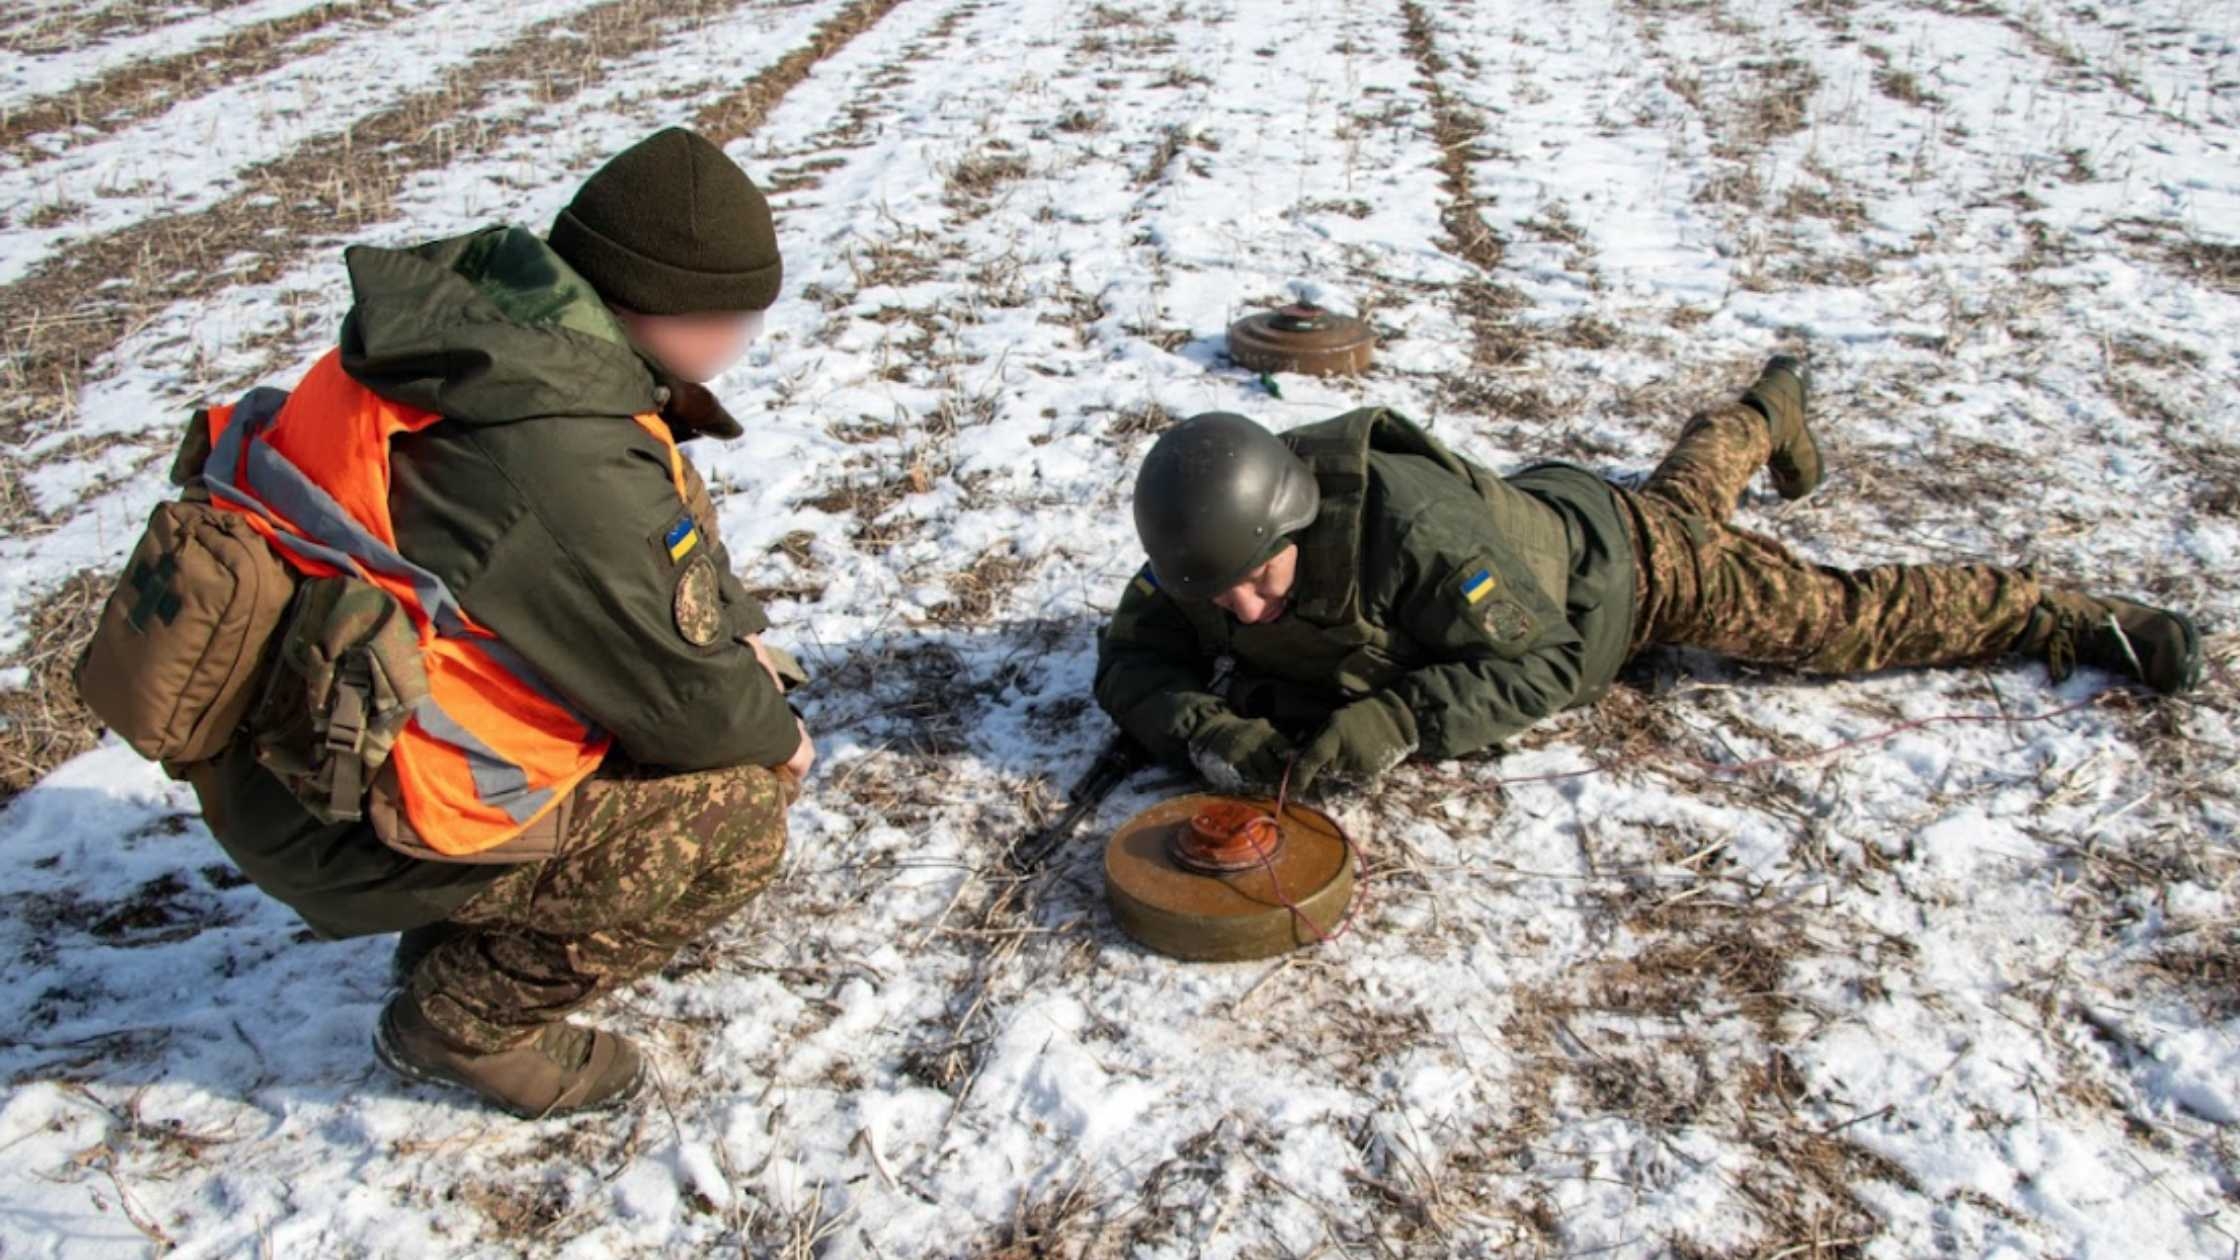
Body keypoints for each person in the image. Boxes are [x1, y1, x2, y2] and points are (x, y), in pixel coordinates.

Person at [178, 127, 812, 1118]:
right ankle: (458, 1027)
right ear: (666, 310)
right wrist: (779, 735)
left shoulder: (473, 346)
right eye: (737, 319)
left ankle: (469, 917)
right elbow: (694, 703)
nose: (741, 346)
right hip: (339, 811)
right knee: (732, 815)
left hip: (300, 753)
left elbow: (613, 589)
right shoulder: (558, 453)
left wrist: (726, 645)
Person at [1094, 357, 2202, 794]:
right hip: (1547, 511)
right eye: (1216, 595)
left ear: (1295, 513)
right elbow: (1131, 655)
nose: (1238, 608)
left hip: (1626, 578)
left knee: (1838, 621)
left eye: (1257, 582)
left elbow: (1553, 666)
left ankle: (2071, 620)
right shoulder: (1207, 544)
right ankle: (1764, 411)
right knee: (1687, 483)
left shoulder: (1416, 535)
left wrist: (1399, 720)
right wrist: (1202, 727)